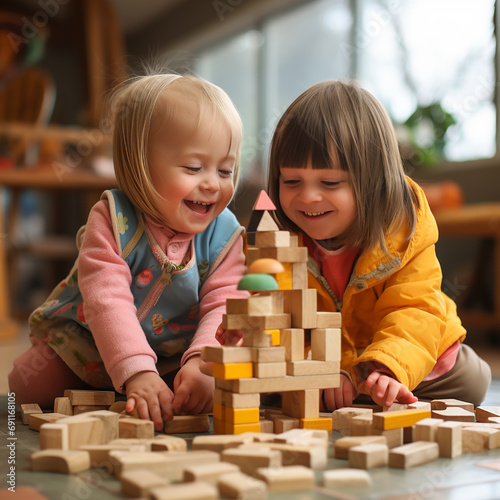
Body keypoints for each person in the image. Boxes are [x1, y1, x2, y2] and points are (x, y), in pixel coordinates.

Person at [221, 80, 491, 410]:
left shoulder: (404, 230)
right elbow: (272, 309)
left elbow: (413, 308)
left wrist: (387, 368)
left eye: (330, 183)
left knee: (473, 379)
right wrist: (255, 339)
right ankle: (344, 388)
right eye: (291, 181)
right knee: (257, 378)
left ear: (372, 184)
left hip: (392, 346)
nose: (307, 197)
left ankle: (372, 384)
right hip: (315, 356)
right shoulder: (273, 231)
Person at [9, 73, 249, 430]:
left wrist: (201, 362)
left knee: (203, 391)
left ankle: (152, 386)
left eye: (226, 169)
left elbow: (225, 302)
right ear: (139, 166)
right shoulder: (112, 218)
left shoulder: (225, 235)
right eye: (194, 168)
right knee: (26, 384)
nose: (213, 183)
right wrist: (135, 370)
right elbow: (107, 298)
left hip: (173, 350)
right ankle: (124, 383)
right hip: (89, 339)